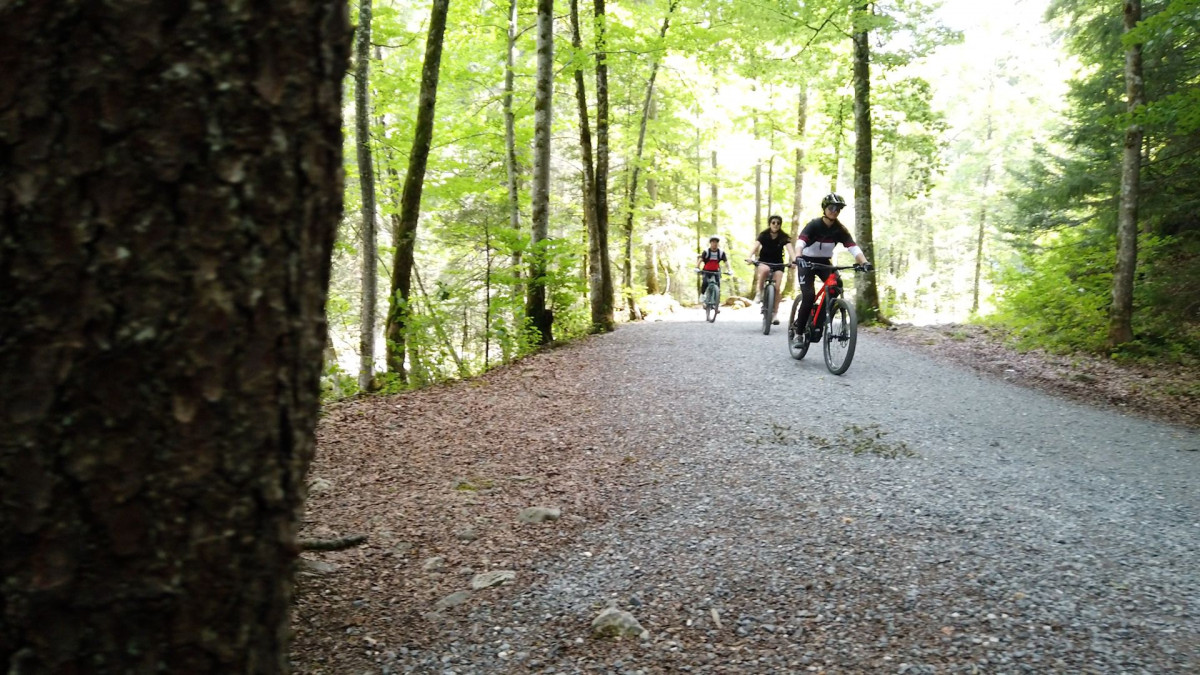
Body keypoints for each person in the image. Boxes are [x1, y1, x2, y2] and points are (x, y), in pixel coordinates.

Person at [791, 193, 872, 341]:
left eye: (838, 209)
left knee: (836, 285)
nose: (834, 211)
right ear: (824, 209)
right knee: (808, 296)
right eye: (831, 207)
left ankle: (818, 323)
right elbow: (800, 242)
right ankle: (799, 332)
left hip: (824, 262)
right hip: (806, 261)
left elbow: (853, 247)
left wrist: (864, 262)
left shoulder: (839, 229)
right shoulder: (814, 225)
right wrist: (798, 257)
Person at [746, 214, 791, 324]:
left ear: (780, 225)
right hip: (764, 261)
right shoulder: (763, 235)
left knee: (777, 288)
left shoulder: (784, 236)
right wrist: (749, 256)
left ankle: (775, 314)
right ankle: (760, 292)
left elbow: (791, 250)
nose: (776, 225)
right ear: (770, 224)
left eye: (778, 223)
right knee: (765, 270)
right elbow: (755, 246)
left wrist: (794, 261)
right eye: (773, 222)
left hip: (778, 264)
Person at [696, 236, 732, 312]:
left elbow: (726, 262)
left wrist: (729, 270)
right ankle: (702, 295)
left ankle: (716, 306)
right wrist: (697, 267)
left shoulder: (721, 253)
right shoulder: (706, 251)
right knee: (705, 282)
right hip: (706, 270)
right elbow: (701, 260)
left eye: (716, 242)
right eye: (713, 242)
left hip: (716, 271)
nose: (715, 244)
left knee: (718, 287)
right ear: (710, 243)